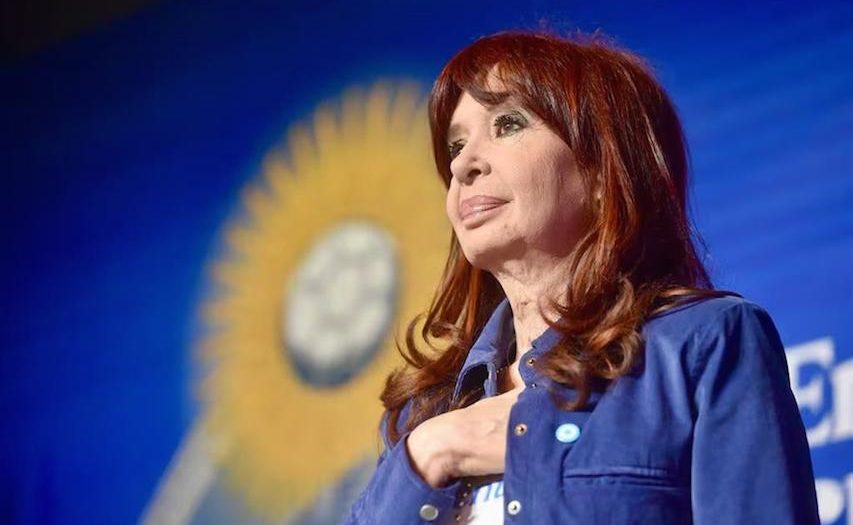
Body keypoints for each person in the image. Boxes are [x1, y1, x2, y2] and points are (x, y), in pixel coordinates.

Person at [341, 28, 820, 525]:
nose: (463, 164)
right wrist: (432, 450)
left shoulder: (703, 344)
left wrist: (535, 446)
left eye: (508, 124)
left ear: (602, 171)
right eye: (456, 145)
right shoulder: (425, 411)